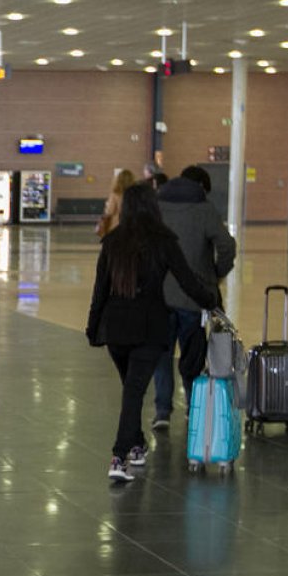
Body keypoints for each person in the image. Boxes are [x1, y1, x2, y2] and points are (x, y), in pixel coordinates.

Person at [86, 184, 217, 482]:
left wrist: (93, 329)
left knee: (132, 392)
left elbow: (100, 292)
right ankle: (119, 457)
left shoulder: (113, 241)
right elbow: (188, 281)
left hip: (115, 331)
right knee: (133, 393)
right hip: (148, 329)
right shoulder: (164, 241)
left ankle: (137, 446)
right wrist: (211, 301)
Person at [150, 165, 237, 430]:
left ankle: (162, 411)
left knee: (161, 355)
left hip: (159, 297)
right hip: (193, 298)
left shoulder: (157, 206)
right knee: (192, 356)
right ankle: (193, 407)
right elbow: (227, 245)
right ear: (202, 187)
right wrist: (216, 273)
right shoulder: (204, 209)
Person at [97, 170, 136, 237]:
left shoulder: (116, 194)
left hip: (117, 228)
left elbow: (110, 211)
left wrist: (107, 205)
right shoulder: (136, 194)